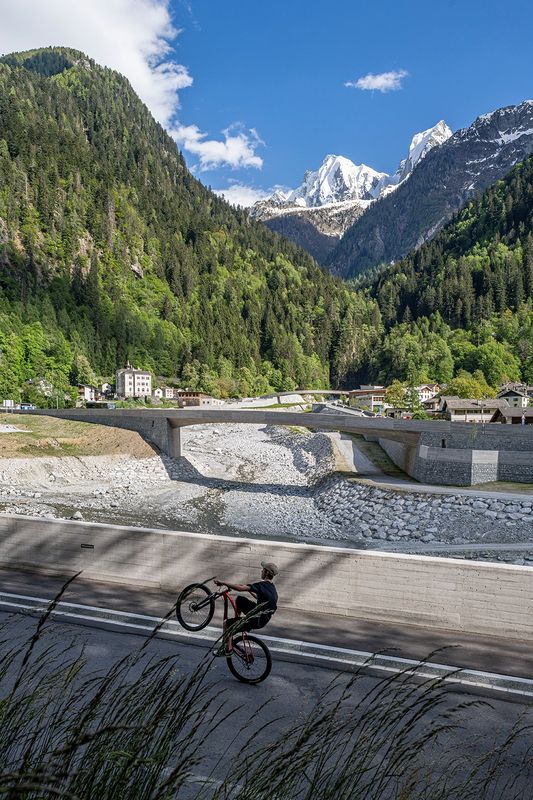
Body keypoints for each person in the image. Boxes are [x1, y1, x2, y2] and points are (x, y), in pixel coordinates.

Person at [214, 561, 279, 652]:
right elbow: (261, 598)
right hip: (263, 617)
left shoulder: (261, 585)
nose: (261, 571)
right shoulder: (272, 587)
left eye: (263, 570)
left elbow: (240, 589)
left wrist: (223, 582)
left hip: (257, 619)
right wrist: (250, 590)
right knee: (240, 599)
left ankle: (227, 650)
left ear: (267, 572)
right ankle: (237, 622)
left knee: (226, 623)